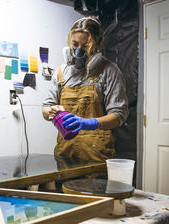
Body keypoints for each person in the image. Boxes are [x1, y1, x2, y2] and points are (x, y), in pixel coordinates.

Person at [42, 17, 129, 163]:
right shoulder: (60, 73)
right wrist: (50, 111)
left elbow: (119, 115)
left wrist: (88, 123)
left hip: (96, 155)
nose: (78, 51)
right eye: (75, 44)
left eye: (86, 46)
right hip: (65, 154)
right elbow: (45, 109)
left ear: (97, 46)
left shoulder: (109, 71)